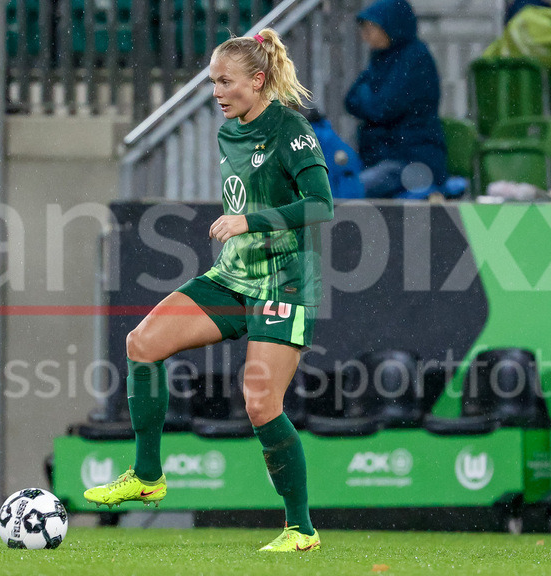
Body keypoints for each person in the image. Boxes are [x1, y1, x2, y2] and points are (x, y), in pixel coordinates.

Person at [82, 28, 333, 552]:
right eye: (211, 82)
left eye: (226, 82)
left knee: (261, 404)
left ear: (258, 80)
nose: (216, 92)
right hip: (232, 277)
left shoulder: (291, 129)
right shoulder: (229, 132)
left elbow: (321, 206)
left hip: (282, 283)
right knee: (141, 344)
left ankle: (301, 529)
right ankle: (147, 476)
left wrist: (249, 222)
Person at [345, 0, 448, 199]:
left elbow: (383, 108)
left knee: (349, 191)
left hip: (411, 160)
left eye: (372, 28)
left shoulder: (415, 58)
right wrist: (370, 98)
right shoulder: (382, 58)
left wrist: (367, 95)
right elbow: (350, 100)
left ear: (392, 25)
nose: (366, 35)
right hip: (381, 156)